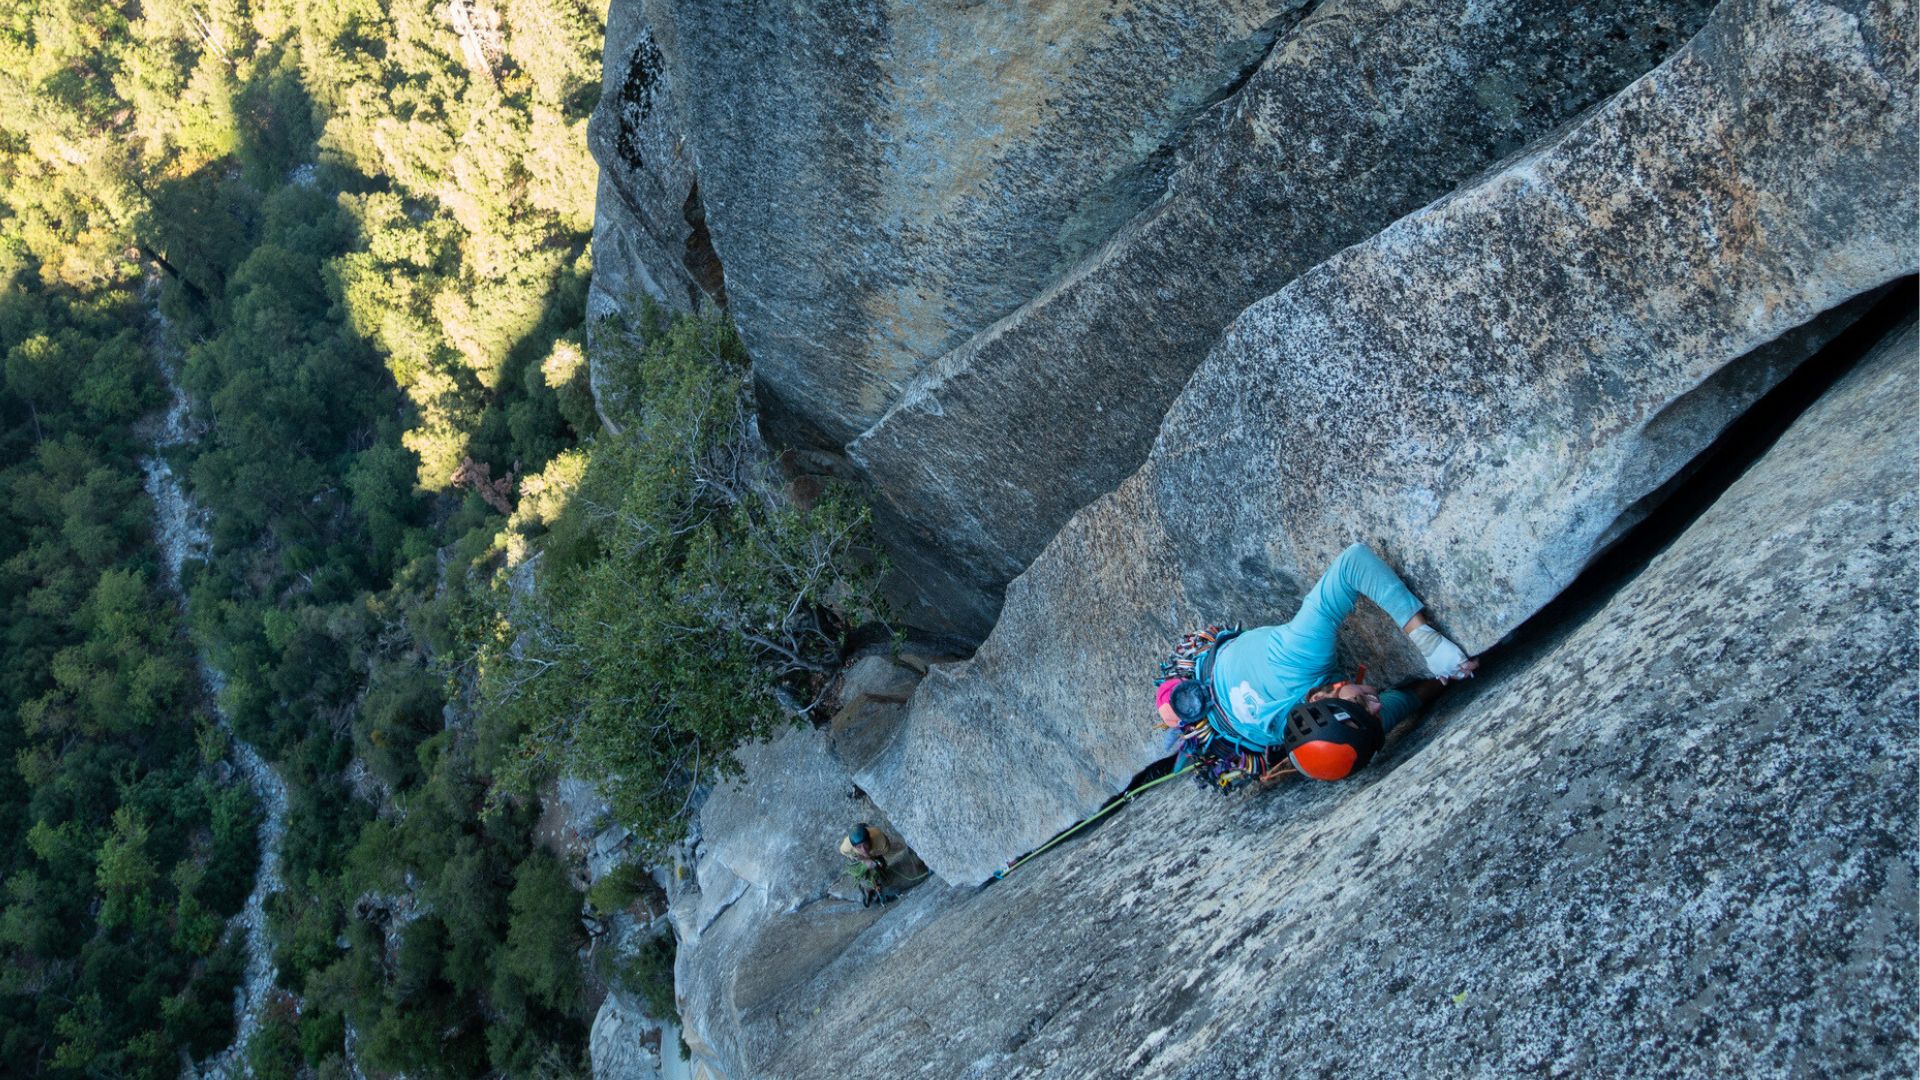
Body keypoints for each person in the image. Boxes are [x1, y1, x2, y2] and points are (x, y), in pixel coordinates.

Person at [1155, 542, 1477, 782]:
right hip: (1233, 737)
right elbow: (1410, 699)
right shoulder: (1353, 725)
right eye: (1372, 715)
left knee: (1174, 709)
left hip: (1208, 673)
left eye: (1363, 704)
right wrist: (1458, 670)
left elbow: (1353, 562)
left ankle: (1176, 708)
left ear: (1321, 695)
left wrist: (1427, 640)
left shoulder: (1296, 657)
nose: (1376, 705)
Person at [839, 823, 903, 906]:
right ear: (854, 847)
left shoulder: (880, 841)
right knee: (861, 872)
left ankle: (879, 883)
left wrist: (873, 858)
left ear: (869, 840)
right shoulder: (846, 848)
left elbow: (884, 851)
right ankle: (867, 888)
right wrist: (863, 863)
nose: (864, 849)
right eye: (859, 847)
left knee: (878, 868)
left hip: (875, 851)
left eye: (865, 844)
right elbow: (851, 868)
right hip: (857, 856)